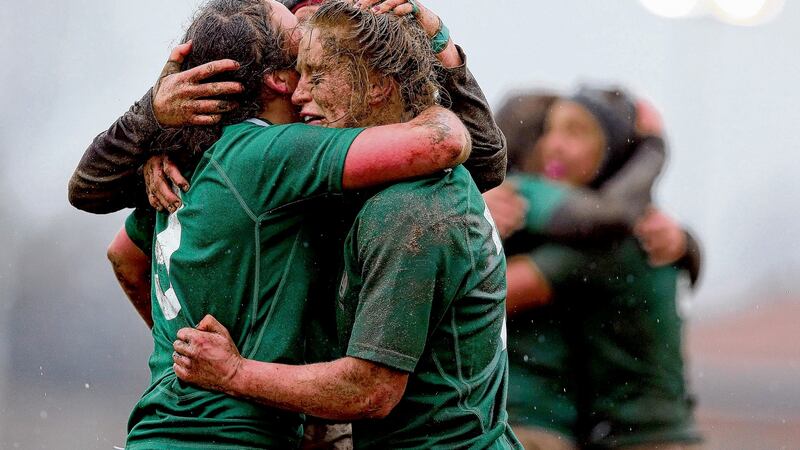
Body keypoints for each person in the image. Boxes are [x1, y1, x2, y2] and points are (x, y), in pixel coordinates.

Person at [69, 0, 513, 448]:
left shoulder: (393, 197)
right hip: (247, 427)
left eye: (319, 70)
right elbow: (92, 196)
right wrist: (226, 369)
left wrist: (207, 364)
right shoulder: (271, 158)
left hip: (206, 422)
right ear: (278, 77)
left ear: (374, 78)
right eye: (302, 62)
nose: (304, 90)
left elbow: (467, 153)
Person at [485, 87, 702, 449]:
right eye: (549, 131)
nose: (553, 146)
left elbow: (488, 295)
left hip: (616, 436)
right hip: (548, 426)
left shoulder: (613, 237)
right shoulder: (527, 200)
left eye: (574, 131)